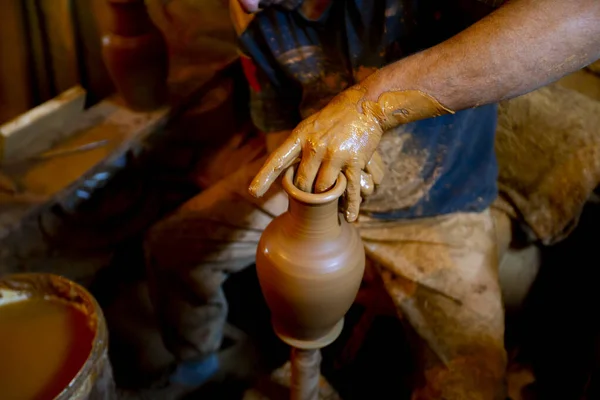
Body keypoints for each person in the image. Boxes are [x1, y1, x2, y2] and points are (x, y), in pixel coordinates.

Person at [145, 0, 600, 398]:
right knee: (172, 246)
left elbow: (587, 13)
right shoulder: (252, 12)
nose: (245, 1)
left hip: (438, 200)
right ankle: (198, 366)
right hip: (315, 192)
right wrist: (310, 205)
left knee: (471, 384)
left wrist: (371, 107)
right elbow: (277, 127)